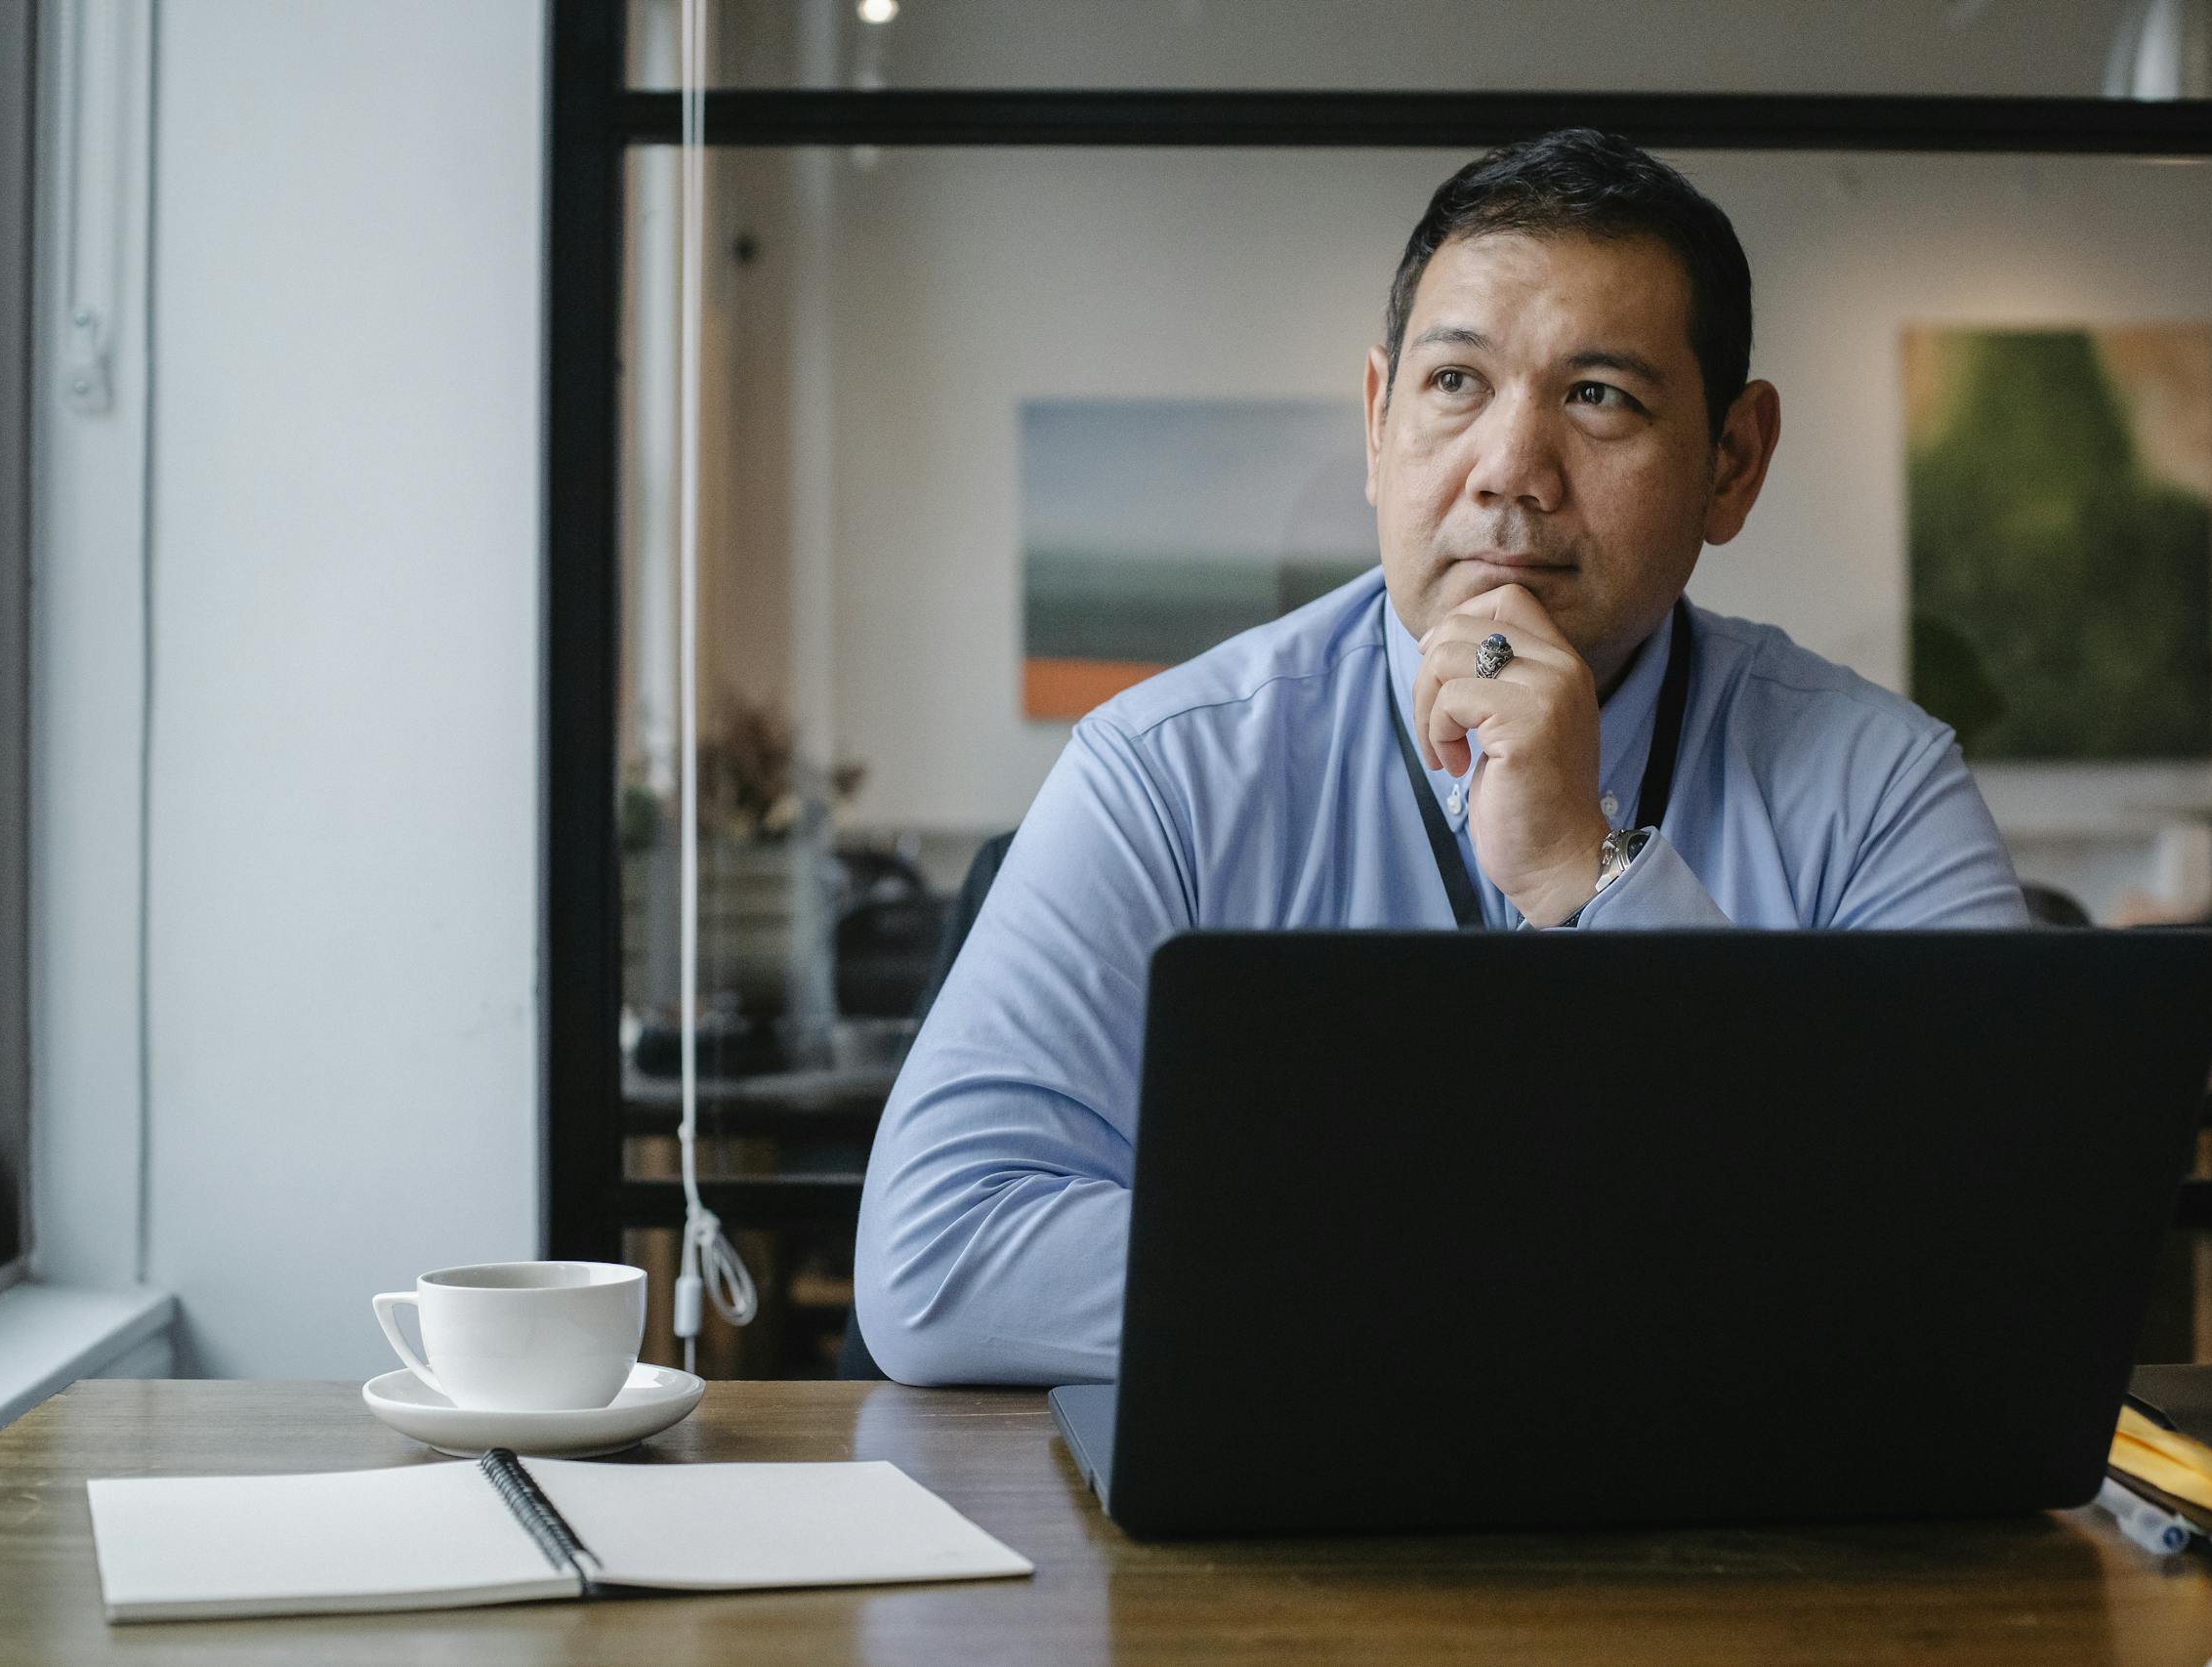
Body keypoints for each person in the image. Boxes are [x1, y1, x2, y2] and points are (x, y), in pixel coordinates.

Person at [855, 128, 2026, 1387]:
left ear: (1731, 463)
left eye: (1600, 398)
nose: (1511, 472)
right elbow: (939, 1259)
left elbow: (2000, 1264)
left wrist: (1595, 875)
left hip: (1740, 1557)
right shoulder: (1169, 771)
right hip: (1278, 1556)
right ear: (1378, 420)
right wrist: (1524, 1264)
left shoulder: (1875, 786)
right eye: (1456, 384)